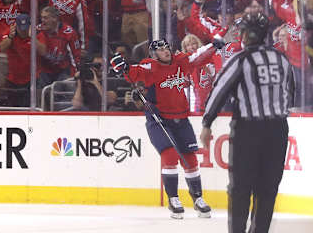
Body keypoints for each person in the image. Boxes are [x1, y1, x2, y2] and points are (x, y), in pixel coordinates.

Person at [200, 13, 295, 233]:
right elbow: (290, 94)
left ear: (247, 34)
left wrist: (207, 123)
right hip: (278, 129)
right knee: (268, 188)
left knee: (241, 188)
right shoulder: (282, 59)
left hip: (248, 130)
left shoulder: (241, 59)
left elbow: (219, 91)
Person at [111, 37, 223, 219]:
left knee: (191, 159)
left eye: (167, 48)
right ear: (154, 54)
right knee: (170, 155)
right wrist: (122, 67)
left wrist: (213, 45)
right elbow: (133, 72)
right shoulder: (151, 66)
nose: (166, 51)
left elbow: (197, 56)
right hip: (159, 119)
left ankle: (198, 198)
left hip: (181, 117)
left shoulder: (180, 61)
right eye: (161, 50)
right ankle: (173, 199)